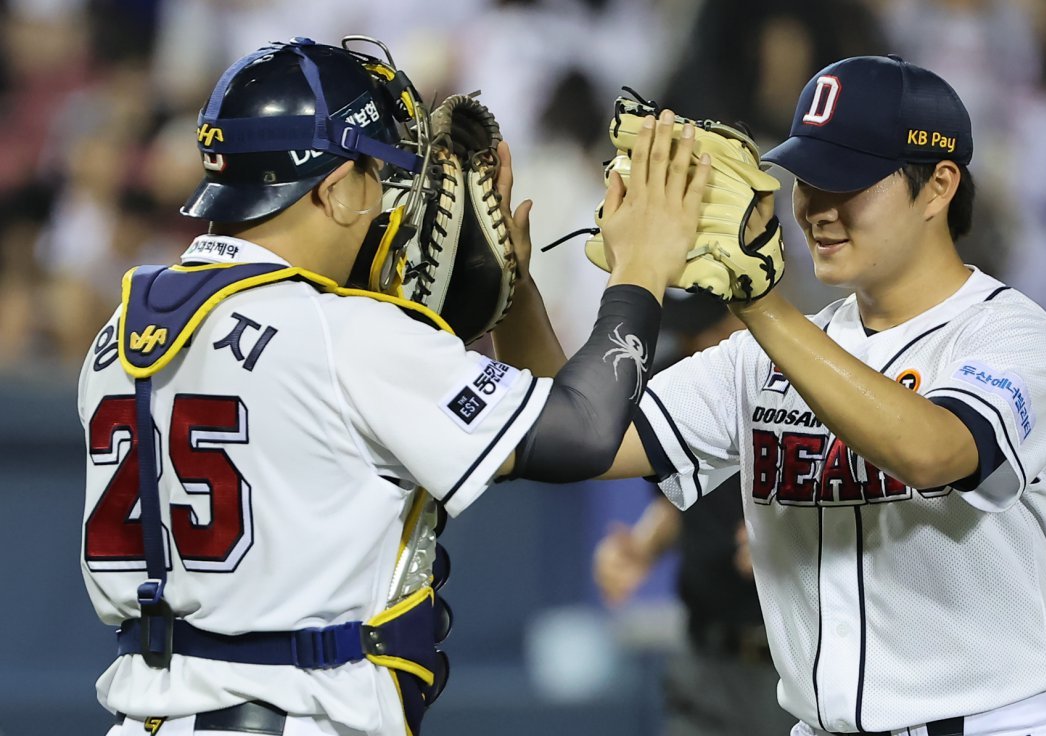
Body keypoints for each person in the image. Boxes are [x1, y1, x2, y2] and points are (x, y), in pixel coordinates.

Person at [78, 36, 709, 736]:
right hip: (293, 717)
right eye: (380, 172)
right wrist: (642, 267)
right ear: (335, 188)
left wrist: (514, 291)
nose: (393, 197)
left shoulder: (120, 329)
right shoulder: (344, 333)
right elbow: (586, 430)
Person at [501, 55, 1046, 735]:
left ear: (938, 187)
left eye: (849, 181)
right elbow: (574, 438)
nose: (816, 207)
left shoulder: (1013, 337)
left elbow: (934, 451)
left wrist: (756, 303)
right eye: (808, 179)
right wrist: (514, 294)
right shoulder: (761, 355)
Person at [593, 293, 796, 736]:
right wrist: (644, 546)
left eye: (710, 327)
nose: (699, 344)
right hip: (703, 652)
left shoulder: (808, 380)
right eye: (687, 332)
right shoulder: (676, 376)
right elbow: (679, 501)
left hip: (788, 664)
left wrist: (794, 539)